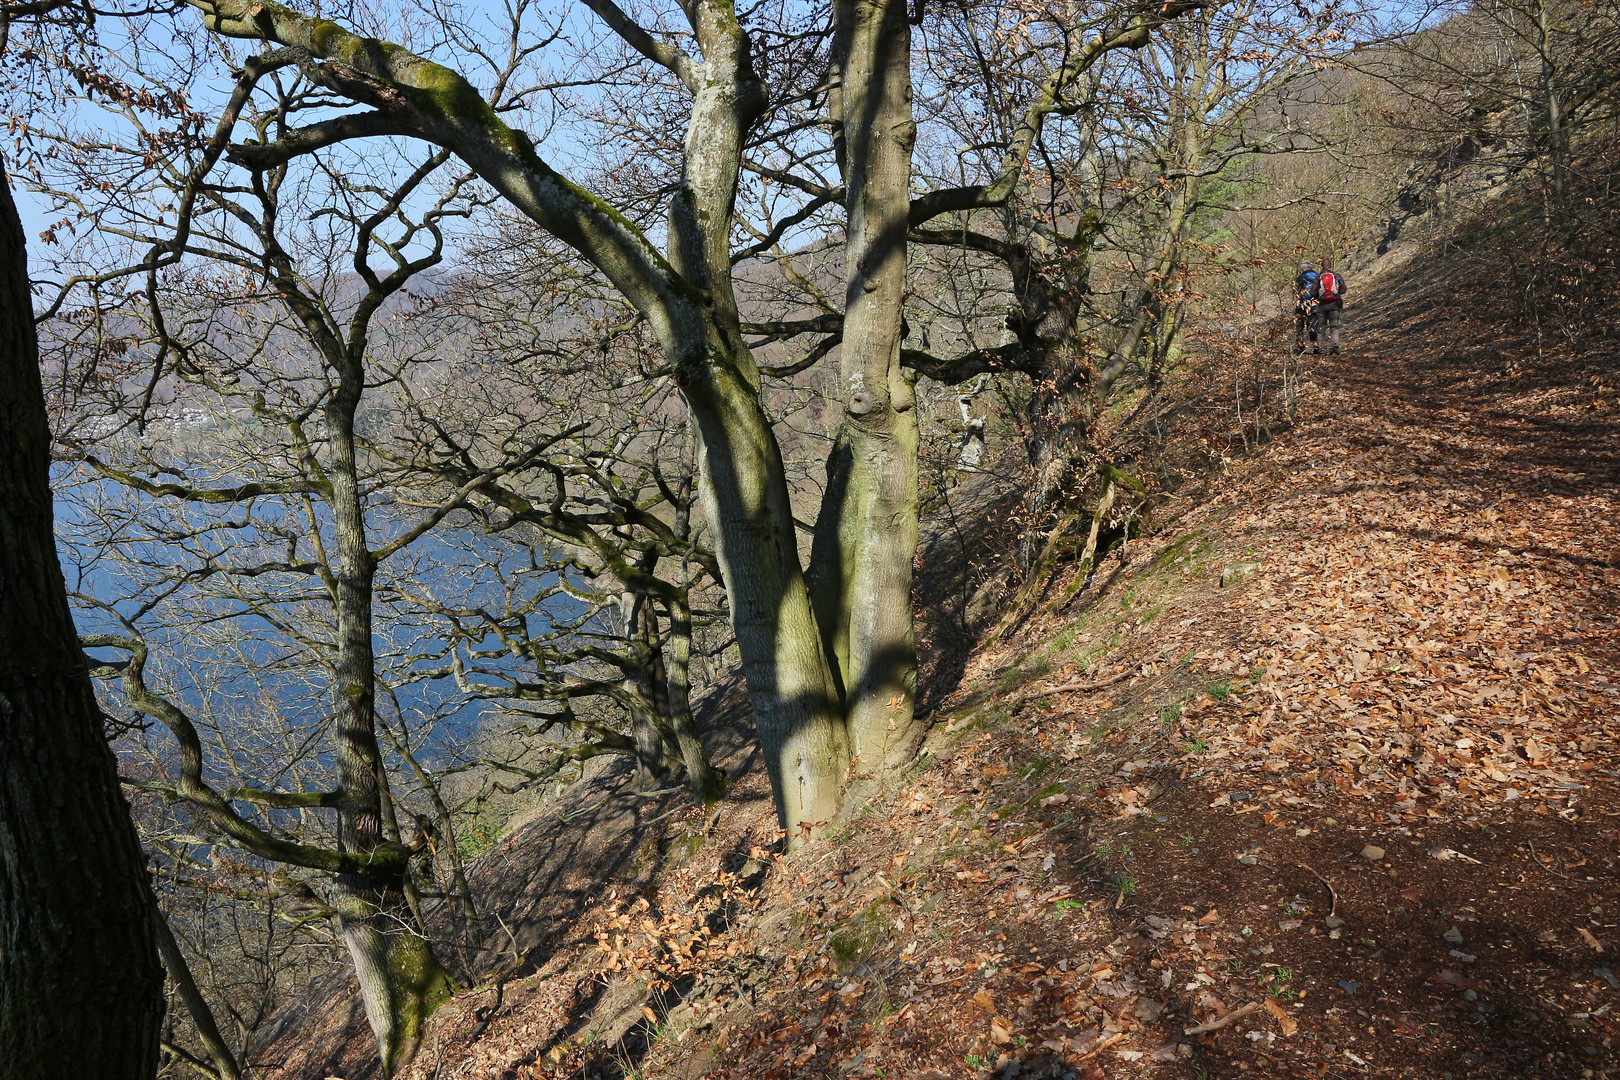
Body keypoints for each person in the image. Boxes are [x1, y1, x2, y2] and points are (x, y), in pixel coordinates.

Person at [1311, 259, 1347, 354]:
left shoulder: (1318, 278)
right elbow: (1343, 290)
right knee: (1334, 327)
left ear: (1321, 267)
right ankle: (1334, 346)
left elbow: (1312, 293)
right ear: (1330, 266)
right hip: (1335, 305)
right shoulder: (1336, 276)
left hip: (1322, 307)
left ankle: (1321, 349)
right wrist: (1336, 291)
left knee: (1321, 328)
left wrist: (1318, 294)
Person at [1293, 261, 1319, 352]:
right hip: (1314, 304)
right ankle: (1315, 346)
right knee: (1312, 325)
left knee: (1300, 325)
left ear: (1304, 268)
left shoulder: (1299, 278)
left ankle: (1300, 346)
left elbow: (1295, 293)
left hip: (1301, 305)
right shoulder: (1317, 276)